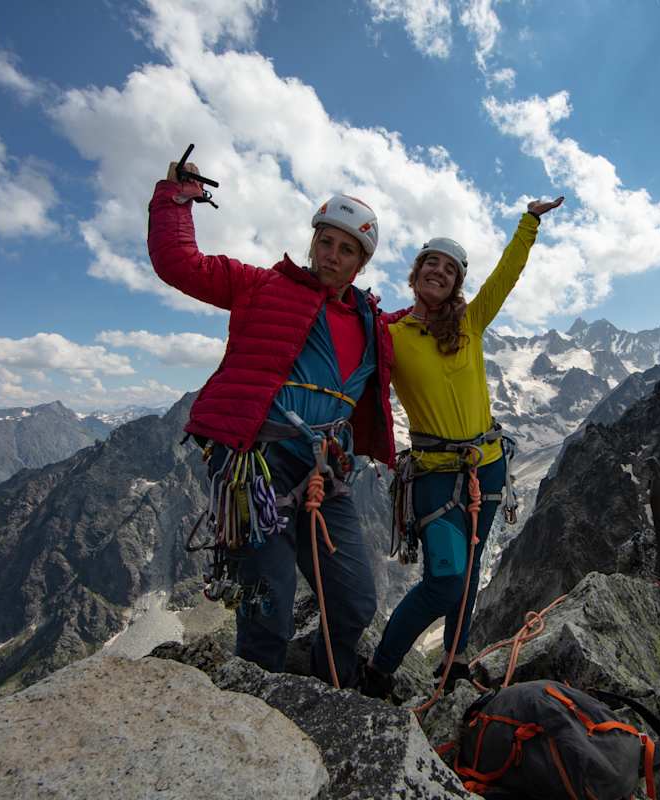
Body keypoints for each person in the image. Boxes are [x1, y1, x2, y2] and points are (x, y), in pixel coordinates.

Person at [147, 160, 397, 689]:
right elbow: (179, 264)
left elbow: (441, 320)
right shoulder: (261, 287)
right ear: (312, 244)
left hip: (326, 476)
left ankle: (333, 697)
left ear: (361, 264)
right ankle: (252, 719)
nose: (332, 254)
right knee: (268, 612)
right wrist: (176, 197)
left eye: (346, 248)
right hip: (256, 471)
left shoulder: (377, 326)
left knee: (354, 603)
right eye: (325, 241)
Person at [360, 194, 565, 699]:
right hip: (434, 474)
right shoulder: (391, 333)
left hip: (488, 468)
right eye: (430, 262)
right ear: (415, 274)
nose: (438, 271)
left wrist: (529, 224)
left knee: (468, 572)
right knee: (446, 580)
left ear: (456, 282)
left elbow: (505, 278)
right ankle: (379, 672)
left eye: (448, 269)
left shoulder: (470, 324)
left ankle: (452, 663)